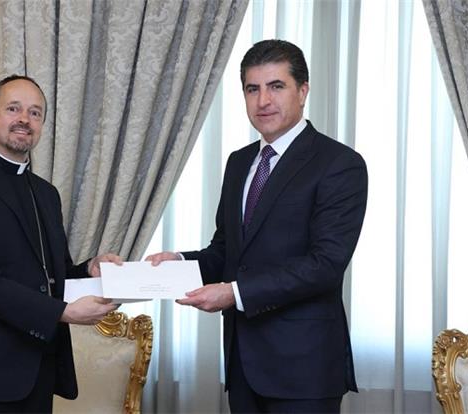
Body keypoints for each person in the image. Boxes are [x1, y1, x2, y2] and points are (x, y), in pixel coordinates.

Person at [147, 39, 367, 413]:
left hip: (304, 370)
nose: (263, 100)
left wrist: (233, 293)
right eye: (253, 89)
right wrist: (179, 262)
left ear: (303, 91)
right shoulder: (239, 163)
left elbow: (325, 266)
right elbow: (227, 251)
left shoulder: (339, 164)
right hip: (243, 364)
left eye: (276, 86)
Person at [0, 75, 121, 413]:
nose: (24, 120)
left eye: (35, 112)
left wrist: (90, 268)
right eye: (13, 109)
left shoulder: (46, 194)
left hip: (36, 373)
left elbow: (52, 275)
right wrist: (62, 312)